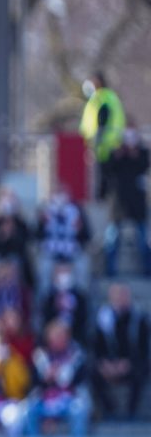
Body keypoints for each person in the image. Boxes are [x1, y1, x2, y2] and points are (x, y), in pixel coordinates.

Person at [26, 320, 90, 437]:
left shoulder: (76, 355)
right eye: (55, 336)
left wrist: (59, 374)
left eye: (62, 335)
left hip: (68, 400)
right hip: (45, 400)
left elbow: (76, 381)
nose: (58, 339)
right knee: (29, 409)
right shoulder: (40, 356)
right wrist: (46, 377)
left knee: (79, 410)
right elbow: (33, 383)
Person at [91, 283, 150, 420]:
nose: (121, 299)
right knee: (92, 372)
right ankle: (109, 410)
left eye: (124, 296)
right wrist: (106, 363)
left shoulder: (139, 319)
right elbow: (96, 346)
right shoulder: (102, 318)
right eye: (117, 296)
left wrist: (126, 363)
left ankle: (131, 412)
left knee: (142, 371)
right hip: (109, 364)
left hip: (131, 363)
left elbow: (143, 348)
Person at [102, 127, 150, 277]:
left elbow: (143, 165)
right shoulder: (116, 153)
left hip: (136, 204)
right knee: (112, 239)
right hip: (118, 204)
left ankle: (148, 271)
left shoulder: (141, 153)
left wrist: (133, 153)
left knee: (143, 239)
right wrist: (119, 155)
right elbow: (107, 169)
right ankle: (110, 271)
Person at [79, 71, 126, 200]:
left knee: (103, 179)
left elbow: (102, 118)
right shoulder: (109, 96)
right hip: (109, 144)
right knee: (107, 178)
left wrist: (96, 140)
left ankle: (102, 202)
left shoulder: (101, 97)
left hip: (103, 145)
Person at [34, 187, 90, 290]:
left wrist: (80, 229)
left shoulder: (77, 210)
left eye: (62, 194)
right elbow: (36, 236)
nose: (60, 198)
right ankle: (44, 299)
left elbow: (87, 236)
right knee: (44, 268)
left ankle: (82, 298)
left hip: (72, 252)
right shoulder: (45, 210)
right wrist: (42, 224)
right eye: (57, 194)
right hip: (50, 252)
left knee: (82, 266)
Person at [0, 187, 34, 289]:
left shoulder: (21, 223)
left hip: (15, 255)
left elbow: (24, 243)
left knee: (18, 263)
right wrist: (2, 235)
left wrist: (13, 233)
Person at [39, 261, 89, 345]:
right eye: (60, 272)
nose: (63, 276)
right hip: (54, 338)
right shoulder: (49, 298)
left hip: (75, 337)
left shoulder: (80, 297)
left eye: (66, 271)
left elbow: (83, 319)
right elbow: (45, 319)